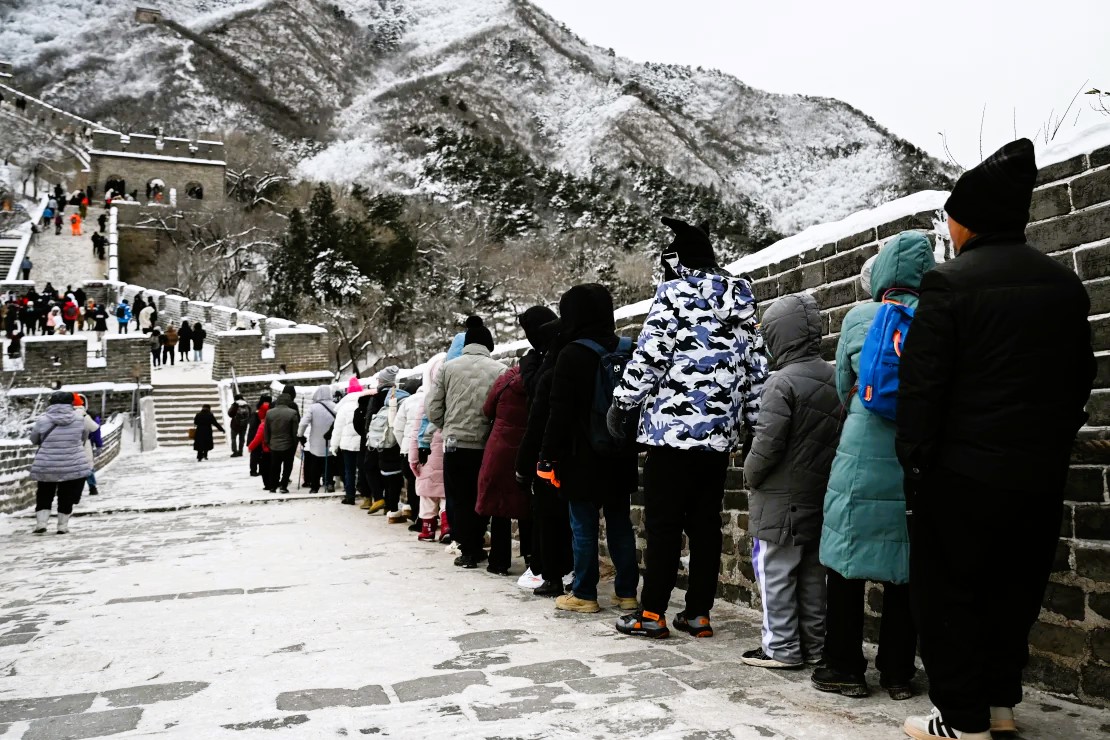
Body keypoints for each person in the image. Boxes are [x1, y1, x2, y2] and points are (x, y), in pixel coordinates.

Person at [896, 140, 1096, 740]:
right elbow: (1079, 379)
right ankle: (1001, 706)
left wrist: (916, 465)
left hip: (960, 476)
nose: (949, 228)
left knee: (952, 595)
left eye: (951, 217)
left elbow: (923, 392)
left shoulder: (948, 286)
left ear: (969, 220)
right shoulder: (1064, 285)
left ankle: (960, 718)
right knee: (1013, 591)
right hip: (1036, 475)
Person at [610, 218, 768, 639]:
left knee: (662, 525)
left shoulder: (674, 295)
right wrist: (754, 424)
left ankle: (652, 614)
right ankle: (698, 614)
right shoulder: (741, 302)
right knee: (705, 526)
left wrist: (623, 401)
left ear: (677, 261)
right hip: (717, 439)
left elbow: (650, 356)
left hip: (670, 432)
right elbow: (757, 371)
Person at [813, 232, 934, 700]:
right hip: (916, 458)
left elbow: (843, 385)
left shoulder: (860, 317)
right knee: (904, 564)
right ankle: (899, 672)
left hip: (861, 453)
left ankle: (842, 667)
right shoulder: (938, 318)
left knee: (845, 563)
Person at [738, 293, 841, 668]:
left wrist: (749, 473)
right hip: (819, 495)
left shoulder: (780, 383)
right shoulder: (833, 376)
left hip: (780, 501)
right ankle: (814, 646)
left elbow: (767, 444)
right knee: (813, 576)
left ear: (780, 336)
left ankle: (780, 647)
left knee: (776, 572)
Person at [539, 284, 640, 614]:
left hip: (580, 456)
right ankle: (627, 593)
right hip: (620, 451)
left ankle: (584, 593)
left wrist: (547, 456)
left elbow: (559, 412)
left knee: (583, 527)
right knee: (620, 524)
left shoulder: (571, 354)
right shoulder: (628, 349)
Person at [426, 316, 507, 568]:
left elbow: (432, 407)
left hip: (454, 443)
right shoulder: (500, 370)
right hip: (485, 444)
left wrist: (446, 425)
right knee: (480, 495)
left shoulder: (448, 368)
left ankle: (467, 549)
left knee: (458, 497)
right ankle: (479, 542)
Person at [516, 308, 570, 596]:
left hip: (549, 447)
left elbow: (538, 401)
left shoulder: (547, 361)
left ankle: (550, 574)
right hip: (575, 445)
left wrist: (525, 462)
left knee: (548, 514)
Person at [477, 357, 532, 575]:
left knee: (499, 506)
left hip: (500, 447)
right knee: (527, 505)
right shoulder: (538, 381)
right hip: (526, 448)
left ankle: (499, 562)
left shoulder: (505, 381)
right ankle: (532, 559)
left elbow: (487, 409)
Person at [30, 392, 92, 535]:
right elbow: (84, 438)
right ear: (71, 403)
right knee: (66, 495)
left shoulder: (42, 420)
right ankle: (62, 526)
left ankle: (41, 523)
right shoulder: (79, 419)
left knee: (45, 493)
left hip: (47, 463)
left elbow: (34, 439)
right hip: (72, 462)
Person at [408, 354, 448, 539]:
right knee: (445, 496)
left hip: (427, 458)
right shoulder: (452, 399)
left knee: (427, 497)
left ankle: (428, 529)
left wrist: (413, 460)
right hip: (446, 456)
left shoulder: (426, 402)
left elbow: (415, 433)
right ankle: (447, 526)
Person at [333, 378, 369, 505]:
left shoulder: (344, 407)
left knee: (349, 470)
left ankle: (350, 496)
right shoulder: (365, 404)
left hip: (347, 445)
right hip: (362, 443)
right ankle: (366, 495)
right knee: (363, 469)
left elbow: (337, 428)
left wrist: (334, 445)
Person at [298, 385, 338, 494]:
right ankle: (329, 482)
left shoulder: (313, 408)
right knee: (329, 462)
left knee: (315, 464)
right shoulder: (335, 406)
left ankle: (314, 486)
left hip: (316, 441)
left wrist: (300, 435)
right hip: (331, 439)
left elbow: (303, 423)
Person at [265, 384, 301, 493]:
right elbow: (295, 430)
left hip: (274, 444)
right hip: (288, 444)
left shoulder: (270, 412)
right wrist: (295, 443)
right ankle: (283, 485)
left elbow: (266, 429)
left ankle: (273, 486)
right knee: (287, 466)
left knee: (274, 466)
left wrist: (268, 442)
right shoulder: (292, 411)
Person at [74, 395, 102, 496]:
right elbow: (96, 430)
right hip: (86, 443)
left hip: (68, 445)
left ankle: (74, 489)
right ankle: (92, 487)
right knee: (88, 466)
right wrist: (98, 444)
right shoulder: (88, 416)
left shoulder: (64, 415)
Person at [247, 400, 274, 490]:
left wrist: (250, 447)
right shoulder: (275, 421)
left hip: (266, 449)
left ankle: (268, 485)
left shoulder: (263, 425)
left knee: (265, 468)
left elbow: (258, 438)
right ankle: (275, 482)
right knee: (274, 467)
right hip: (277, 448)